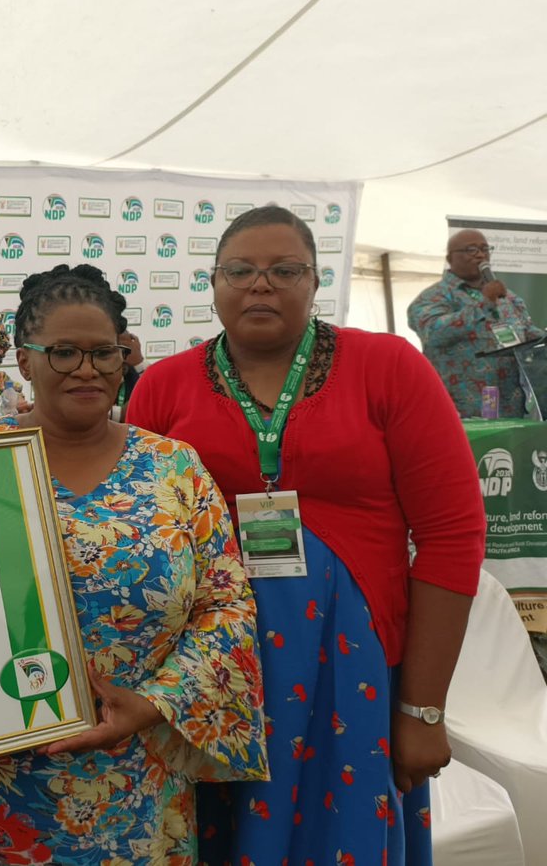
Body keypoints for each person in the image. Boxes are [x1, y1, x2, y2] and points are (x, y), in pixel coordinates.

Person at [127, 206, 486, 865]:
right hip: (208, 678)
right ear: (212, 283)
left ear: (317, 282)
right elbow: (132, 541)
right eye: (240, 270)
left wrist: (424, 710)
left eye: (284, 270)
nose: (260, 285)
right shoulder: (161, 387)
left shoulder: (389, 367)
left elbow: (453, 535)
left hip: (351, 672)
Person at [0, 264, 267, 864]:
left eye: (105, 352)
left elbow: (226, 605)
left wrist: (154, 704)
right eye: (64, 352)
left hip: (135, 784)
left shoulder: (174, 468)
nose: (87, 369)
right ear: (22, 360)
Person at [407, 228, 537, 417]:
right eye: (471, 250)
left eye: (485, 249)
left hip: (512, 408)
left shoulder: (509, 298)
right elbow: (434, 333)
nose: (481, 254)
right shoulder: (433, 297)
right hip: (461, 411)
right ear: (450, 258)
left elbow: (526, 331)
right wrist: (483, 305)